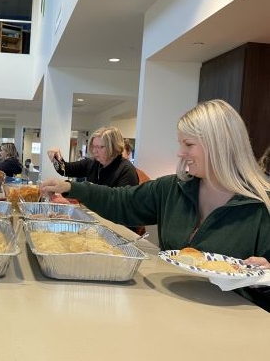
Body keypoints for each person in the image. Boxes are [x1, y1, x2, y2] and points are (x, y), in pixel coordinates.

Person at [41, 99, 270, 310]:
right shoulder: (172, 188)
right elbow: (123, 201)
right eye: (180, 144)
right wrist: (72, 188)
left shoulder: (262, 206)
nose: (180, 153)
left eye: (188, 144)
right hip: (170, 308)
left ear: (220, 144)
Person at [47, 126, 139, 187]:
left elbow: (121, 203)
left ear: (114, 147)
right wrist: (55, 157)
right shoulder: (93, 163)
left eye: (100, 147)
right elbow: (65, 170)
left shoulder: (126, 170)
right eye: (94, 146)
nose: (95, 151)